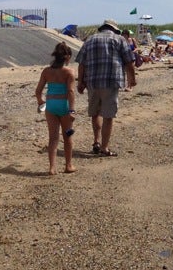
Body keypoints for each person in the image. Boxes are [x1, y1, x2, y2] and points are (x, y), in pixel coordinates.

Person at [75, 19, 136, 157]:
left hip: (92, 81)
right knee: (108, 115)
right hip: (111, 80)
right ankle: (104, 147)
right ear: (114, 29)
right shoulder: (119, 39)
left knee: (95, 113)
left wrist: (81, 82)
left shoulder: (90, 40)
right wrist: (132, 79)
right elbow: (129, 61)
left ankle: (96, 142)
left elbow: (81, 63)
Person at [35, 42, 77, 175]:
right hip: (64, 105)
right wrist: (71, 110)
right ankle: (68, 165)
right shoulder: (69, 72)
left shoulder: (46, 71)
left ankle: (52, 167)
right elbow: (70, 91)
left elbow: (38, 91)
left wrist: (41, 102)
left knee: (53, 138)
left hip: (51, 105)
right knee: (67, 136)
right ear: (67, 57)